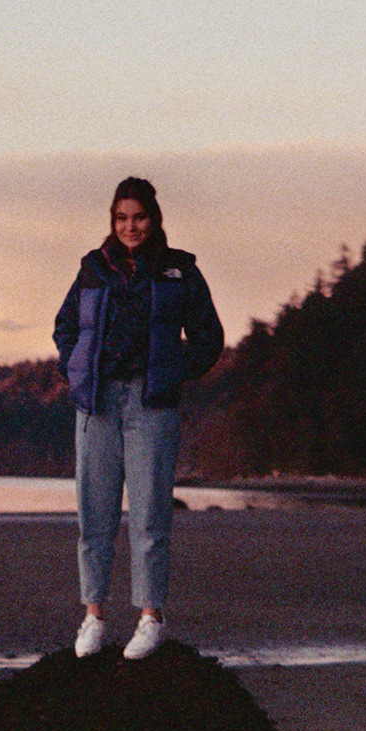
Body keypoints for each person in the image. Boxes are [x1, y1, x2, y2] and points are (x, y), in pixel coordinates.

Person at [53, 176, 225, 659]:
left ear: (154, 219)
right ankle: (93, 617)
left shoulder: (179, 271)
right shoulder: (93, 269)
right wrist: (76, 369)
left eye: (139, 217)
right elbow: (65, 326)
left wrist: (172, 372)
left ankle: (151, 618)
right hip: (97, 405)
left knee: (149, 517)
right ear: (113, 220)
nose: (131, 226)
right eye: (122, 218)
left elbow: (209, 338)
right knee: (95, 516)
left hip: (152, 406)